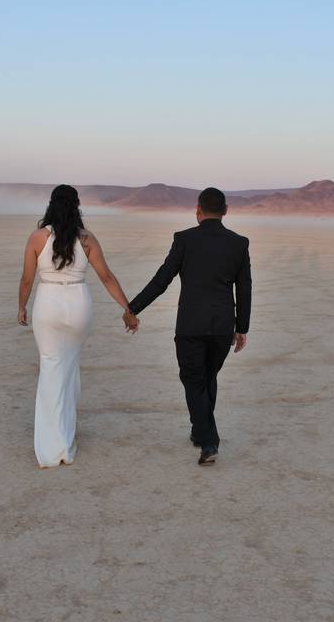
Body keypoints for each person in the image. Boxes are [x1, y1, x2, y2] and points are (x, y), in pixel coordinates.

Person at [126, 187, 251, 465]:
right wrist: (242, 327)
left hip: (191, 326)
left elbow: (162, 280)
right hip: (222, 326)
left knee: (194, 380)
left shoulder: (185, 240)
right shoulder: (238, 243)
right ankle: (199, 432)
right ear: (226, 211)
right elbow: (244, 288)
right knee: (207, 379)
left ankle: (209, 442)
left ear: (198, 211)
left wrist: (132, 308)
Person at [18, 184, 137, 468]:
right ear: (76, 206)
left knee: (50, 368)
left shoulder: (37, 237)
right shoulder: (87, 239)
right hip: (78, 305)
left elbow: (26, 279)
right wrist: (128, 309)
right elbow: (107, 277)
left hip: (48, 304)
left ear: (51, 205)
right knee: (69, 368)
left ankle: (52, 447)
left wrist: (21, 306)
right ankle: (65, 438)